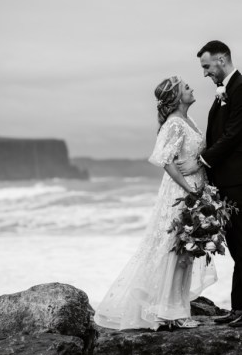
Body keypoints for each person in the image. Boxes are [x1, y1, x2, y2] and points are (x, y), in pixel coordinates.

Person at [93, 76, 217, 331]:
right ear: (176, 97)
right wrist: (189, 189)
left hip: (195, 189)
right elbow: (166, 160)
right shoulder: (174, 124)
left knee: (188, 248)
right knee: (177, 247)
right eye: (186, 87)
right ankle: (170, 311)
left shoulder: (189, 120)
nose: (192, 88)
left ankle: (175, 308)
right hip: (182, 192)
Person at [178, 40, 242, 327]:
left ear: (221, 59)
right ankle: (239, 308)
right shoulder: (225, 92)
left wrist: (201, 162)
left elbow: (232, 136)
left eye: (206, 66)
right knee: (236, 245)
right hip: (228, 181)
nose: (205, 73)